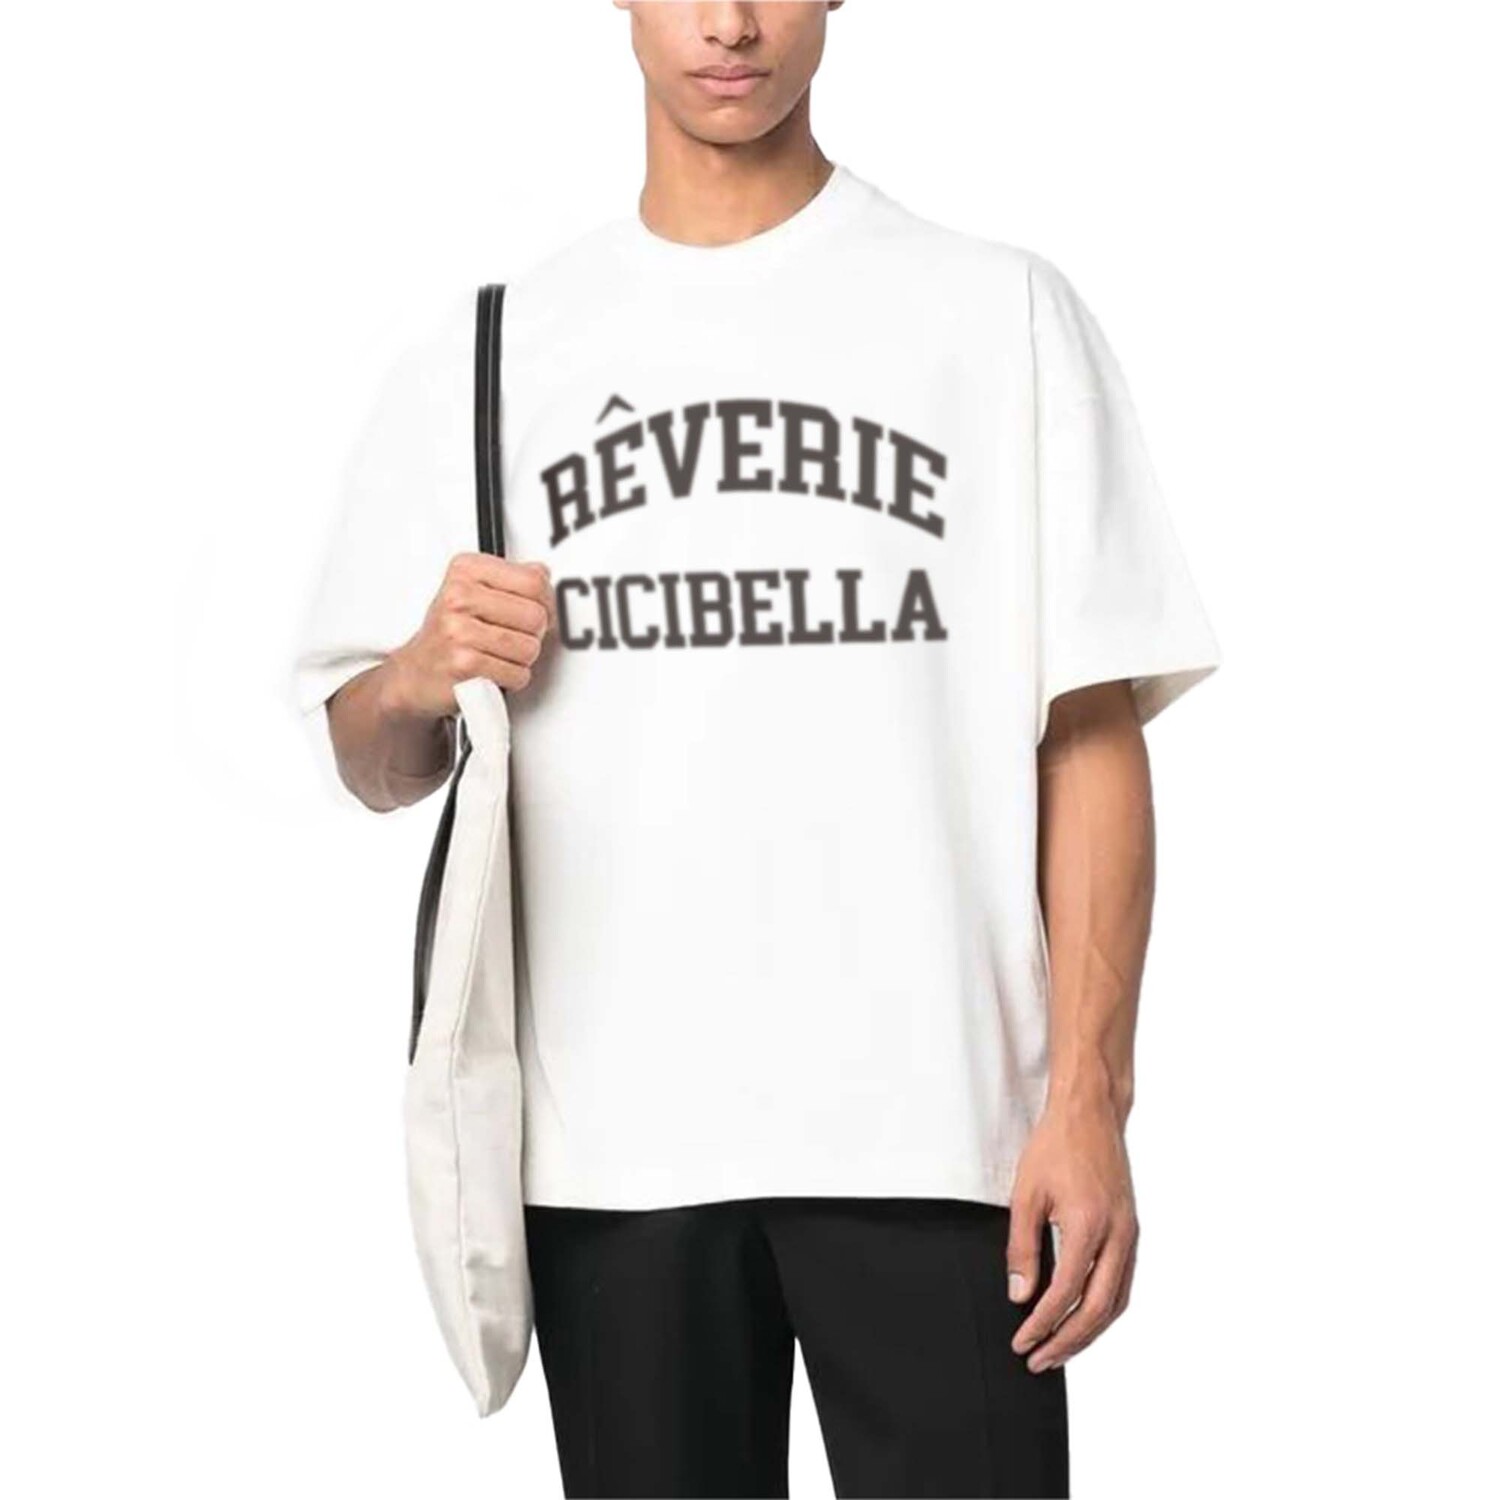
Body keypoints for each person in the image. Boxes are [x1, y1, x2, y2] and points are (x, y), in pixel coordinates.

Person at [293, 3, 1219, 1495]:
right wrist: (417, 671)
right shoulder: (495, 348)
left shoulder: (995, 316)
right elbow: (372, 759)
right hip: (614, 1159)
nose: (730, 23)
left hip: (942, 1137)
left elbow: (1089, 732)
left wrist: (1089, 1101)